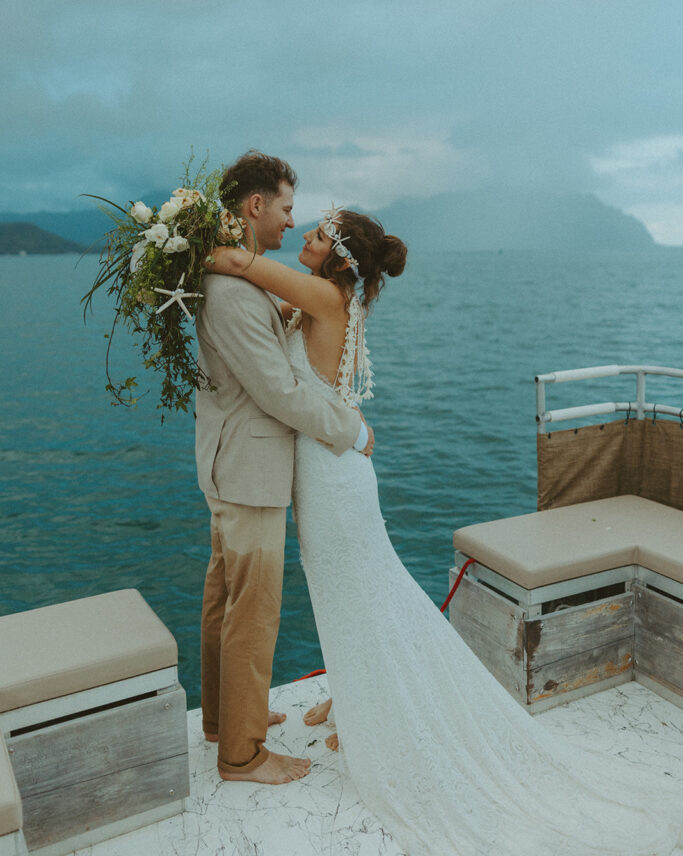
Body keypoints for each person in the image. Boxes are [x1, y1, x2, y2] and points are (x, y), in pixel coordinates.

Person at [206, 206, 682, 856]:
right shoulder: (328, 296)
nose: (306, 239)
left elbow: (236, 262)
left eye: (317, 235)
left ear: (339, 256)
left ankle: (370, 707)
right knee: (348, 588)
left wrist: (177, 250)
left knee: (357, 589)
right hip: (326, 468)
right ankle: (352, 699)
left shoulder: (321, 292)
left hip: (330, 474)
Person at [195, 152, 373, 787]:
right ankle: (242, 755)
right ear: (254, 206)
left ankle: (222, 719)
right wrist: (351, 430)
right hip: (250, 469)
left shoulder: (242, 283)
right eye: (287, 208)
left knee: (225, 598)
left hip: (234, 462)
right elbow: (278, 392)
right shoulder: (235, 293)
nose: (291, 221)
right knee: (253, 608)